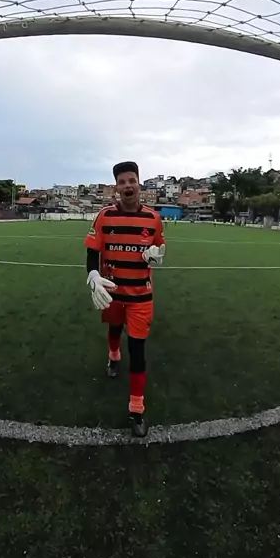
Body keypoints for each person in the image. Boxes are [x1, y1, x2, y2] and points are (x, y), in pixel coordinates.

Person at [84, 161, 166, 437]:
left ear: (138, 183)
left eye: (132, 180)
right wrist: (93, 275)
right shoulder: (104, 216)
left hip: (141, 296)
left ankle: (137, 409)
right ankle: (113, 356)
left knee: (138, 349)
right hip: (113, 292)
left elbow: (159, 248)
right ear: (116, 188)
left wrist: (156, 256)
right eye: (122, 182)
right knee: (114, 330)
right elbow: (92, 252)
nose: (128, 186)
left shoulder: (153, 218)